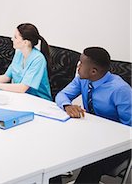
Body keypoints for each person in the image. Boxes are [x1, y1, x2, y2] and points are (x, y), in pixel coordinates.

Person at [55, 47, 132, 184]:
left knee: (92, 164)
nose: (77, 67)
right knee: (54, 148)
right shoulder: (83, 80)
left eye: (81, 63)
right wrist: (67, 105)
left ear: (93, 71)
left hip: (118, 143)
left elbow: (129, 129)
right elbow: (62, 95)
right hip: (92, 134)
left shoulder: (120, 90)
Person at [0, 23, 52, 101]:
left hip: (38, 100)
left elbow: (22, 88)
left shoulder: (38, 59)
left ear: (25, 42)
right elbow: (6, 77)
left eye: (15, 37)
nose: (12, 39)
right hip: (21, 97)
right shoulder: (19, 54)